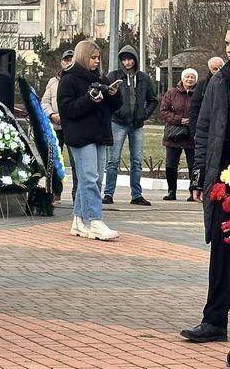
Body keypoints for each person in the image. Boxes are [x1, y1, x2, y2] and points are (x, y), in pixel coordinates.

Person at [184, 32, 230, 343]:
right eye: (227, 43)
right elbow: (203, 128)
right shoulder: (219, 80)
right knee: (222, 251)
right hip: (223, 181)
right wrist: (199, 176)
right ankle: (214, 320)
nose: (229, 48)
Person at [57, 40, 123, 242]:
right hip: (80, 136)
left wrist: (113, 95)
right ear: (84, 57)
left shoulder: (99, 78)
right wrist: (89, 99)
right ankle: (94, 220)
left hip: (99, 135)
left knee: (94, 179)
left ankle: (78, 220)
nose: (96, 62)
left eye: (98, 58)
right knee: (89, 178)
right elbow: (67, 109)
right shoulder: (68, 80)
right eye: (93, 58)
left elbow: (112, 108)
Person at [103, 45, 158, 206]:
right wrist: (114, 112)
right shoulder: (113, 76)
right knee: (113, 160)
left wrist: (144, 114)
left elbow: (153, 99)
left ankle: (136, 194)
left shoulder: (144, 78)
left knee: (136, 161)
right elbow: (105, 96)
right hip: (118, 123)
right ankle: (108, 193)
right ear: (121, 61)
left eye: (130, 59)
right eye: (124, 59)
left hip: (137, 124)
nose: (127, 62)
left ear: (135, 59)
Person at [41, 50, 77, 202]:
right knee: (54, 161)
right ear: (62, 62)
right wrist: (52, 115)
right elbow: (44, 102)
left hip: (73, 127)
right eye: (65, 60)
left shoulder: (78, 80)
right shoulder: (52, 82)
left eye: (71, 60)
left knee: (76, 162)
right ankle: (55, 191)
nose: (68, 62)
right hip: (55, 127)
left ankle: (77, 193)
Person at [160, 68, 198, 202]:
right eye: (187, 77)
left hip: (192, 135)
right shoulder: (171, 93)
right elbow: (164, 111)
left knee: (193, 164)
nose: (189, 79)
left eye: (192, 77)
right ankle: (171, 191)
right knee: (171, 164)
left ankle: (193, 192)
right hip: (174, 134)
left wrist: (193, 121)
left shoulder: (199, 93)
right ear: (182, 78)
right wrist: (179, 120)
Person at [190, 57, 225, 137]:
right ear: (210, 70)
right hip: (209, 128)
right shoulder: (202, 86)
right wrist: (194, 132)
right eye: (215, 69)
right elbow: (194, 109)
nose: (219, 70)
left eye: (221, 67)